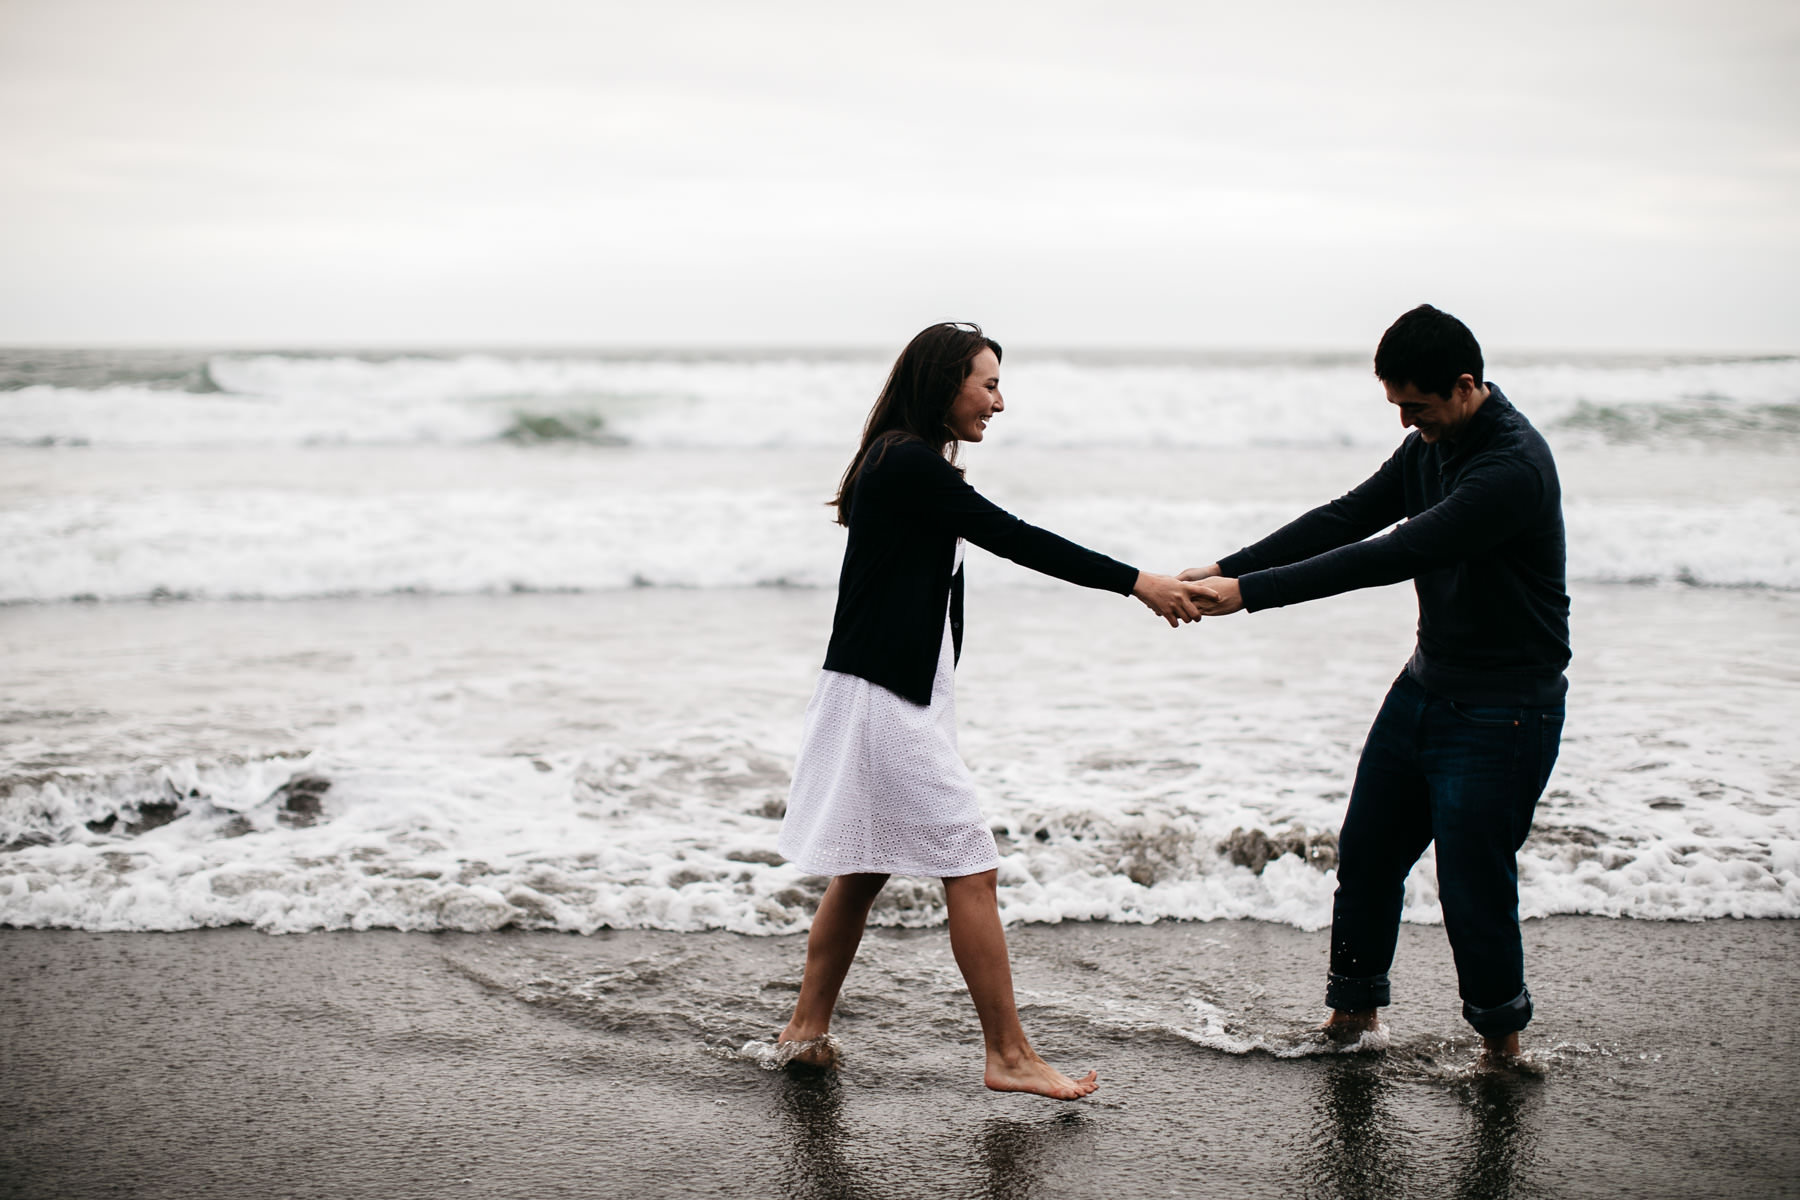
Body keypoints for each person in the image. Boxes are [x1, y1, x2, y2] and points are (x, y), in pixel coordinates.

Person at [774, 321, 1205, 1099]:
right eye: (990, 384)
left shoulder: (900, 458)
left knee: (862, 868)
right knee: (971, 864)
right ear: (947, 384)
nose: (999, 402)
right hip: (884, 701)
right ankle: (1007, 1054)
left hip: (884, 691)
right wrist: (1136, 581)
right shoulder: (908, 462)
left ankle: (804, 1032)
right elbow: (1017, 538)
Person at [1183, 304, 1569, 1064]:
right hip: (1427, 684)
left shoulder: (1510, 468)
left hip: (1505, 708)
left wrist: (1251, 596)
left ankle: (1502, 1049)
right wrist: (1231, 567)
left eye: (1416, 408)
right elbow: (1348, 518)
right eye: (1395, 407)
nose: (1405, 424)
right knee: (1366, 856)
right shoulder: (1433, 444)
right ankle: (1353, 1021)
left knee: (1471, 886)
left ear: (1464, 387)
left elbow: (1388, 554)